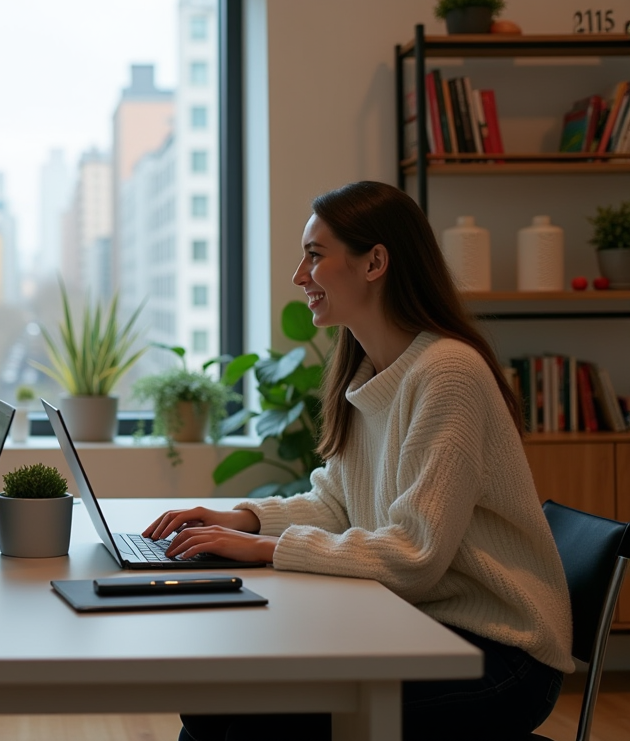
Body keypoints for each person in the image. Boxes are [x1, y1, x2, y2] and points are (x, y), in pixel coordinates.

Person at [144, 181, 573, 741]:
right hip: (420, 625)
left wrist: (267, 549)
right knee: (213, 707)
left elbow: (415, 553)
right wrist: (241, 520)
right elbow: (336, 502)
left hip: (498, 654)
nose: (300, 276)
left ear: (375, 262)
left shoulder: (447, 375)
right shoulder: (369, 374)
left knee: (249, 721)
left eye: (315, 256)